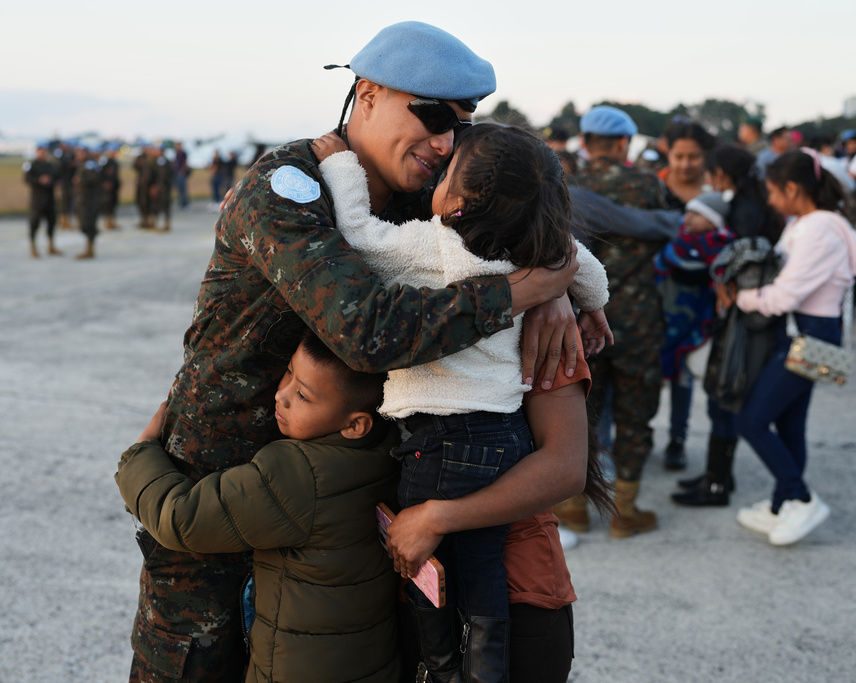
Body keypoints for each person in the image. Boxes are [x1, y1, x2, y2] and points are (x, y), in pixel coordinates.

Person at [116, 21, 586, 683]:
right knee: (196, 664)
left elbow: (525, 214)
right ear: (366, 94)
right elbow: (368, 330)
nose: (445, 140)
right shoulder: (288, 191)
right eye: (428, 116)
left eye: (459, 124)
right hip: (225, 480)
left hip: (342, 499)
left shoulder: (420, 199)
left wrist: (551, 281)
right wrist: (524, 288)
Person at [312, 122, 612, 681]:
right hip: (496, 448)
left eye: (447, 169)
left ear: (457, 198)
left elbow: (358, 234)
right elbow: (581, 263)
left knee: (438, 582)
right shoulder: (545, 261)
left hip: (462, 483)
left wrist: (338, 165)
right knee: (473, 580)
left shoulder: (436, 247)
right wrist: (579, 296)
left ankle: (444, 667)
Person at [117, 333, 402, 683]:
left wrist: (140, 454)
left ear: (356, 424)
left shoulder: (298, 476)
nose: (281, 395)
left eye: (303, 395)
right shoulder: (387, 449)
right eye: (288, 372)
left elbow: (181, 519)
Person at [729, 149, 856, 545]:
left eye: (772, 191)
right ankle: (781, 505)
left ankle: (800, 498)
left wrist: (740, 297)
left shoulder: (819, 230)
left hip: (812, 335)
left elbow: (783, 296)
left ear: (792, 188)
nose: (769, 200)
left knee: (751, 421)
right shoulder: (810, 223)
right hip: (809, 332)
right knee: (789, 424)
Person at [557, 105, 667, 538]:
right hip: (639, 318)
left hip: (584, 317)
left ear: (586, 142)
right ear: (623, 143)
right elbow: (660, 234)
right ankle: (625, 512)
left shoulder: (570, 187)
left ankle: (574, 506)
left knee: (581, 411)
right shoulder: (645, 184)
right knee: (636, 413)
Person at [673, 146, 784, 506]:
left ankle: (717, 485)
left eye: (711, 170)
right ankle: (717, 476)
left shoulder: (744, 212)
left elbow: (742, 263)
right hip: (740, 317)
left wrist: (723, 282)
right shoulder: (747, 204)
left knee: (725, 396)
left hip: (740, 319)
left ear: (722, 173)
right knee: (722, 397)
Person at [654, 121, 716, 469]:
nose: (686, 163)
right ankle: (632, 439)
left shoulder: (714, 194)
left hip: (698, 301)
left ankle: (677, 439)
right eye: (680, 155)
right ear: (669, 154)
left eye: (694, 156)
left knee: (685, 372)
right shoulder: (655, 186)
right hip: (654, 294)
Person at [23, 141, 61, 257]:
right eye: (40, 151)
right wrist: (39, 180)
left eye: (44, 151)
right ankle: (33, 247)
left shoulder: (50, 165)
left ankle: (51, 246)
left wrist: (54, 182)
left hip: (49, 198)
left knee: (51, 223)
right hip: (37, 198)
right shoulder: (32, 165)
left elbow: (57, 178)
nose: (43, 153)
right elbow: (27, 179)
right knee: (34, 223)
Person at [72, 145, 101, 260]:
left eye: (81, 153)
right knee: (83, 223)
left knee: (88, 223)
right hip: (82, 198)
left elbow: (94, 179)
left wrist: (81, 180)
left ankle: (90, 249)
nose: (79, 155)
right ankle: (89, 248)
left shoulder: (90, 164)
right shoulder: (82, 164)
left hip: (90, 199)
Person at [99, 143, 122, 231]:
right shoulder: (105, 162)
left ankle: (112, 221)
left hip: (114, 187)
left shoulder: (115, 162)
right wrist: (104, 183)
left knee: (113, 204)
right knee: (106, 204)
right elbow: (101, 174)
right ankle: (107, 222)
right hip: (106, 188)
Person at [173, 141, 190, 209]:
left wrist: (182, 171)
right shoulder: (177, 154)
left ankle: (185, 203)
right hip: (177, 173)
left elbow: (185, 163)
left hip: (181, 174)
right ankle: (181, 203)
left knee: (183, 189)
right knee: (179, 189)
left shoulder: (183, 153)